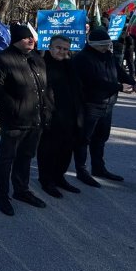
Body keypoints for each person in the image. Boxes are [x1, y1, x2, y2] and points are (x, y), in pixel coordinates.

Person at [0, 23, 49, 216]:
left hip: (36, 119)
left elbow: (44, 89)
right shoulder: (2, 59)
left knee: (26, 157)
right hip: (14, 121)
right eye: (26, 37)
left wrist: (47, 111)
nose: (31, 40)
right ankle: (2, 194)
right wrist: (15, 107)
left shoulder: (37, 59)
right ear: (16, 40)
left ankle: (21, 190)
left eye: (31, 37)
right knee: (6, 158)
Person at [72, 27, 136, 186]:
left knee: (101, 138)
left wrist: (134, 83)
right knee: (84, 139)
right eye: (103, 45)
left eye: (108, 44)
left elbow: (119, 71)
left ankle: (98, 167)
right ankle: (81, 170)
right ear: (93, 44)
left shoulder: (108, 55)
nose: (106, 48)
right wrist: (119, 87)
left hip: (108, 104)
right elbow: (93, 81)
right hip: (90, 105)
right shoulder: (82, 58)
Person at [37, 35, 83, 197]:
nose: (61, 51)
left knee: (66, 150)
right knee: (48, 150)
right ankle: (46, 180)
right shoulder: (41, 64)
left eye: (65, 49)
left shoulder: (69, 64)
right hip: (50, 116)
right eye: (58, 47)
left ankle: (59, 177)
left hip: (70, 116)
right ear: (50, 47)